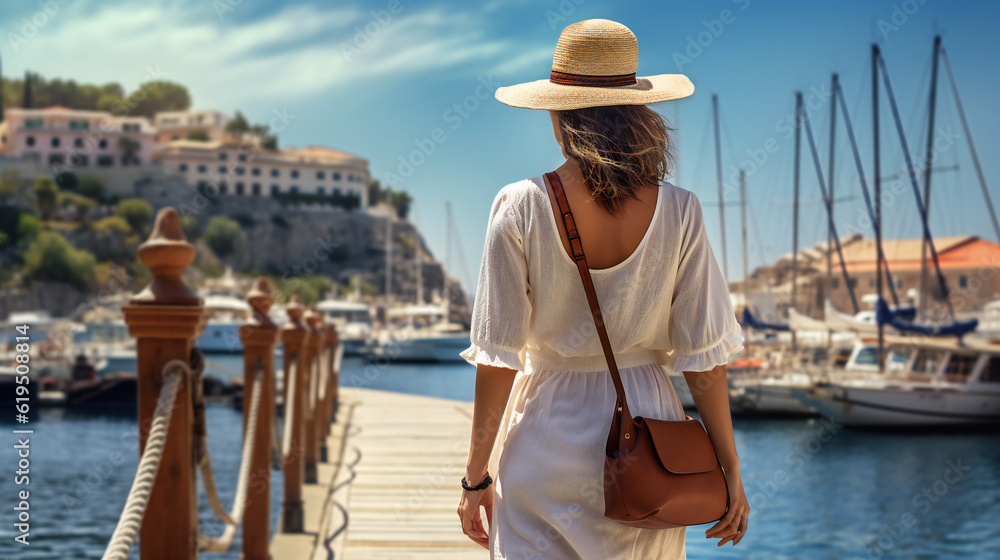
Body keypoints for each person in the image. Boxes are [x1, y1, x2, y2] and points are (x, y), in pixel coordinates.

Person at [457, 19, 749, 559]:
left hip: (547, 434)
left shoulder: (520, 205)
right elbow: (704, 361)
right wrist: (730, 471)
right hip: (648, 445)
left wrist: (476, 478)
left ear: (557, 113)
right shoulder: (680, 210)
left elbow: (497, 360)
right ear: (639, 113)